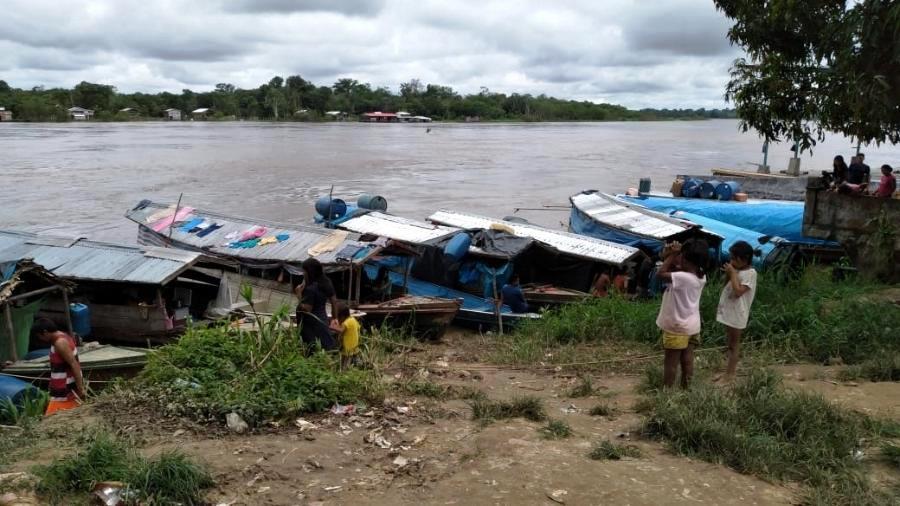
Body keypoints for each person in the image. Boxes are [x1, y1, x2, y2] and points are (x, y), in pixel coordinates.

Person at [655, 239, 708, 389]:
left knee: (671, 363)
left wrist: (672, 254)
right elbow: (675, 267)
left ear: (685, 259)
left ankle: (667, 393)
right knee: (687, 360)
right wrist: (671, 254)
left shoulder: (683, 278)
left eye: (681, 256)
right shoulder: (700, 276)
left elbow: (660, 273)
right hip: (692, 327)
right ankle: (686, 389)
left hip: (677, 327)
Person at [715, 241, 758, 383]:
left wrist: (733, 273)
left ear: (742, 259)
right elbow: (726, 284)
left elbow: (739, 291)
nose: (731, 261)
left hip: (738, 314)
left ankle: (730, 374)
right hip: (729, 312)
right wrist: (730, 273)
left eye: (733, 259)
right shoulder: (737, 270)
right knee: (730, 343)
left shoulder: (751, 273)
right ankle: (728, 371)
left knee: (734, 344)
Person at [33, 318, 84, 416]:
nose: (40, 339)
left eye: (39, 336)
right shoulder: (60, 337)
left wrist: (80, 388)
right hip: (62, 388)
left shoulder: (60, 343)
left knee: (51, 419)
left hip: (65, 390)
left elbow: (74, 364)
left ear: (45, 332)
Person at [295, 258, 339, 352]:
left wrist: (299, 295)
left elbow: (307, 309)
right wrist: (335, 318)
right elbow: (334, 301)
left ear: (309, 272)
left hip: (311, 325)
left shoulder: (311, 289)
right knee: (325, 347)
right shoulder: (326, 281)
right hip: (322, 320)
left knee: (313, 350)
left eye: (304, 271)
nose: (303, 274)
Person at [331, 302, 361, 369]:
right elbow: (358, 327)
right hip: (354, 345)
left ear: (342, 316)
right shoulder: (353, 319)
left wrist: (331, 327)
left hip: (348, 346)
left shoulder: (346, 322)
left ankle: (344, 373)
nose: (338, 320)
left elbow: (341, 330)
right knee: (345, 360)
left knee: (345, 363)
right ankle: (343, 370)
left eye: (338, 318)